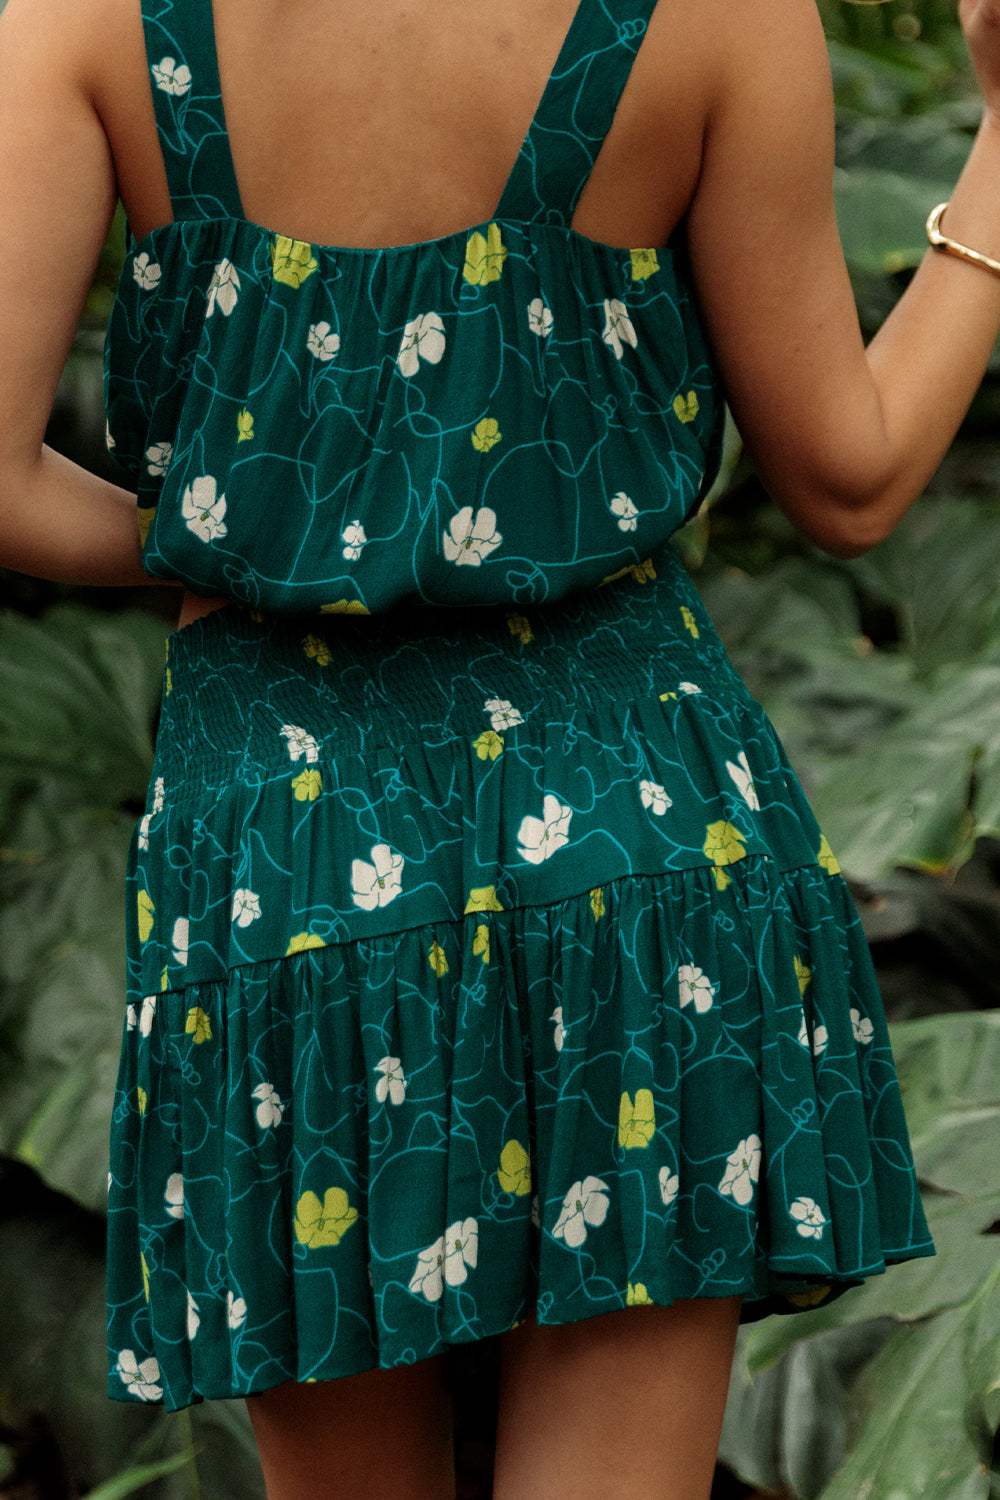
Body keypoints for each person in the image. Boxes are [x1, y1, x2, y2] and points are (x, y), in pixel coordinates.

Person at [1, 0, 999, 1495]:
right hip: (630, 843)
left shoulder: (80, 16)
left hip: (292, 870)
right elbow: (849, 481)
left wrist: (271, 531)